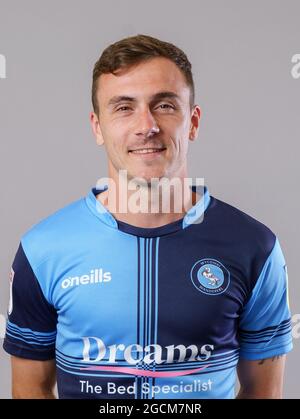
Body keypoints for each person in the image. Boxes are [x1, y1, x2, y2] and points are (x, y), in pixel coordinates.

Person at [3, 34, 293, 399]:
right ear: (97, 126)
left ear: (193, 122)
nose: (147, 125)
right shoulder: (42, 250)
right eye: (124, 107)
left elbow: (263, 391)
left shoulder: (255, 248)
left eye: (165, 105)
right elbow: (31, 391)